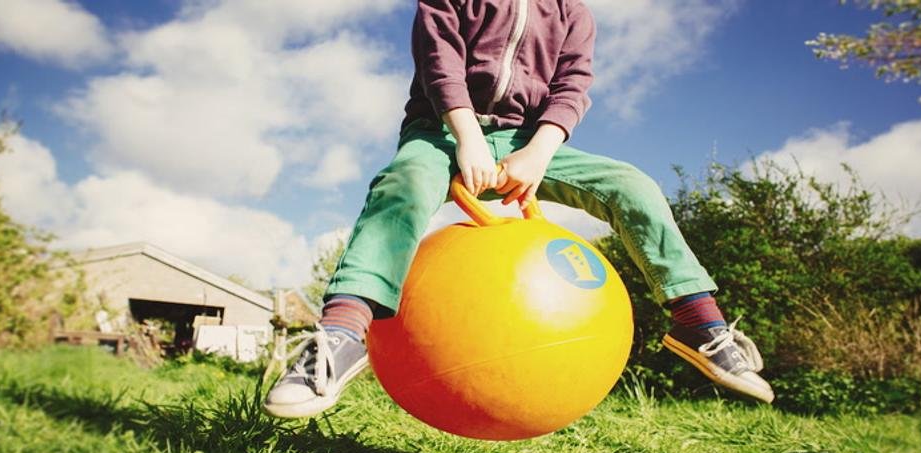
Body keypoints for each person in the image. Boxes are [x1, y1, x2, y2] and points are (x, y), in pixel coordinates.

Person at [263, 0, 774, 419]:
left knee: (632, 185)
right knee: (403, 183)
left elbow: (572, 86)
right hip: (441, 132)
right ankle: (342, 334)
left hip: (529, 142)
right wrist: (467, 138)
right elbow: (439, 61)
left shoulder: (573, 13)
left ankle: (699, 323)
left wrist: (538, 153)